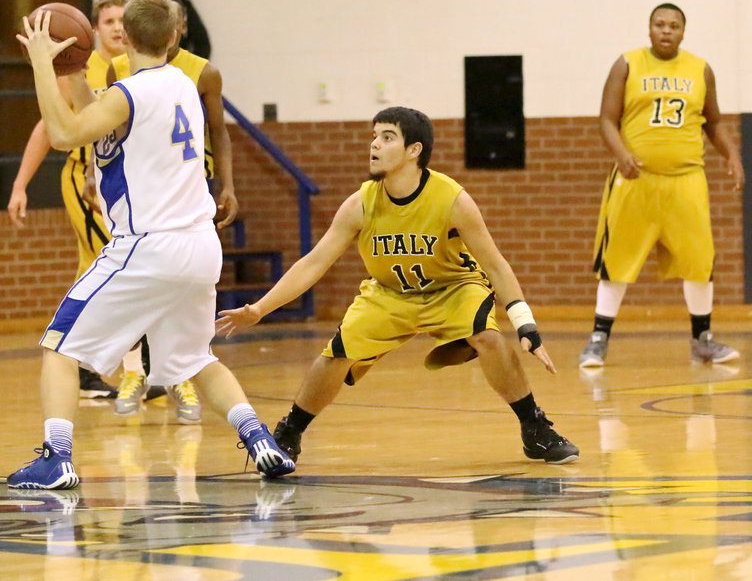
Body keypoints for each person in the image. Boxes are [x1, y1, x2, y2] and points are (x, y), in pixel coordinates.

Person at [8, 0, 294, 490]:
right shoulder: (182, 84)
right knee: (196, 359)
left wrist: (39, 62)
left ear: (123, 38)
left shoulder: (129, 94)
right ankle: (258, 438)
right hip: (199, 247)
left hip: (149, 245)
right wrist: (70, 71)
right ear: (174, 37)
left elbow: (63, 132)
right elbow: (96, 118)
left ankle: (57, 458)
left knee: (59, 347)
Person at [216, 106, 579, 465]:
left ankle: (534, 429)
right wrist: (260, 308)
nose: (374, 144)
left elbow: (496, 264)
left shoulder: (452, 199)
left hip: (453, 287)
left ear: (414, 150)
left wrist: (525, 322)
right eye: (373, 136)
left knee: (487, 336)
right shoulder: (361, 203)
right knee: (336, 353)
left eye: (387, 137)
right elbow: (314, 262)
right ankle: (290, 432)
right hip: (389, 293)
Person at [578, 3, 745, 368]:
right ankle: (597, 339)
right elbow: (607, 119)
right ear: (649, 28)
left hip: (687, 180)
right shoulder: (627, 63)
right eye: (659, 24)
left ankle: (703, 340)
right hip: (636, 179)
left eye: (674, 25)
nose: (666, 30)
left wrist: (731, 155)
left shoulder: (700, 69)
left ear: (683, 32)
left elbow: (713, 122)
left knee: (699, 262)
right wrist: (621, 154)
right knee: (617, 259)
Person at [105, 0, 238, 421]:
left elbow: (220, 132)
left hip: (185, 194)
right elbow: (112, 134)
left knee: (172, 290)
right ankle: (132, 372)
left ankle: (179, 376)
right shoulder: (120, 68)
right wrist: (96, 176)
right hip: (140, 196)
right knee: (139, 287)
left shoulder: (202, 73)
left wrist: (227, 184)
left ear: (180, 28)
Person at [7, 0, 130, 400]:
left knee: (93, 267)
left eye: (121, 20)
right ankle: (116, 366)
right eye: (108, 20)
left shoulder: (135, 67)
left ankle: (84, 362)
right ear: (91, 30)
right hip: (84, 179)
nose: (115, 27)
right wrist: (21, 183)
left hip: (124, 180)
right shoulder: (77, 64)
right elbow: (48, 127)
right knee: (113, 266)